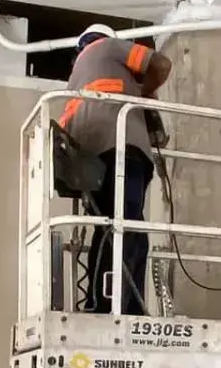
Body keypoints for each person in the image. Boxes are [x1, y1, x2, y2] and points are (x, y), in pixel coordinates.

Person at [61, 25, 171, 314]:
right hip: (123, 150)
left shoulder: (76, 81)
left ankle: (120, 302)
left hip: (92, 160)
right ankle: (109, 303)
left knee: (119, 225)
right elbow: (161, 63)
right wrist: (144, 92)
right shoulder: (108, 47)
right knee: (124, 226)